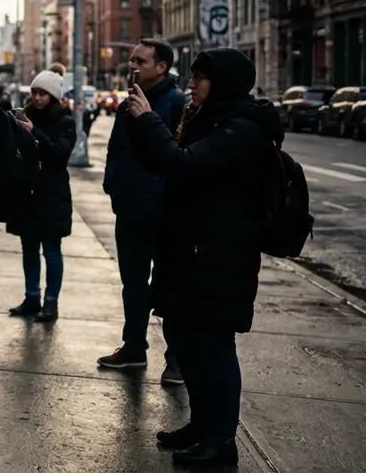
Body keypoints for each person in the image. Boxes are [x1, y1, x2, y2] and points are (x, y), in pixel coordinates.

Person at [122, 48, 279, 467]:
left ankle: (221, 438)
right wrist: (136, 120)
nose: (191, 84)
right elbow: (160, 162)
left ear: (223, 82)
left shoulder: (242, 128)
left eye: (200, 77)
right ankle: (201, 424)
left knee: (213, 346)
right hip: (189, 251)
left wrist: (148, 120)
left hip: (220, 256)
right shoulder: (208, 118)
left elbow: (183, 164)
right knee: (187, 341)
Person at [98, 38, 188, 385]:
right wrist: (113, 185)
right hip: (129, 208)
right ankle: (134, 348)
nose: (132, 66)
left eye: (141, 61)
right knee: (132, 284)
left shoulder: (177, 102)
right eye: (132, 60)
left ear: (161, 67)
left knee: (169, 286)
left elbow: (180, 156)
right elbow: (116, 149)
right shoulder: (127, 104)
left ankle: (176, 360)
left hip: (164, 213)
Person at [6, 70, 76, 323]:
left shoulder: (65, 121)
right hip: (27, 193)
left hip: (52, 194)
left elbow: (59, 154)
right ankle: (32, 298)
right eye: (34, 92)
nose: (37, 98)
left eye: (43, 94)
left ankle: (51, 303)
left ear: (53, 96)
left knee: (52, 251)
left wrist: (34, 132)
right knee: (28, 249)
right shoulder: (25, 116)